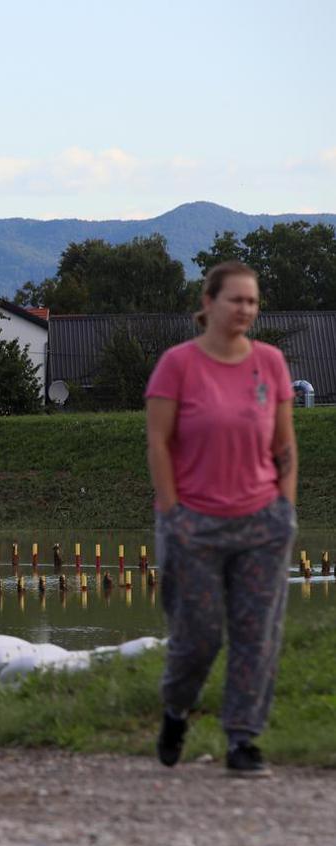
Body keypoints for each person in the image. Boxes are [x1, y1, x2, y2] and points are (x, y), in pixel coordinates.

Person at [146, 261, 298, 778]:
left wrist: (286, 509)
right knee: (199, 637)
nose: (245, 310)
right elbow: (159, 444)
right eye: (236, 300)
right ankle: (175, 709)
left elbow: (284, 445)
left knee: (257, 634)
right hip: (194, 525)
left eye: (253, 302)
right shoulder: (178, 365)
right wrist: (172, 512)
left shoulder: (271, 364)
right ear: (208, 303)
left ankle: (242, 739)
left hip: (262, 523)